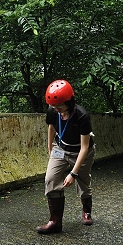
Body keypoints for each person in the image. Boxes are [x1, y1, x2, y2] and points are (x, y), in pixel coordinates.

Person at [37, 79, 96, 234]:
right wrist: (50, 146)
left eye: (60, 106)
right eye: (54, 106)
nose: (57, 109)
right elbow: (51, 127)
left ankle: (86, 211)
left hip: (81, 151)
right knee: (50, 179)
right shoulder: (53, 111)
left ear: (70, 101)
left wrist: (73, 173)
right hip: (61, 149)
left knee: (83, 181)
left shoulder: (81, 116)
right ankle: (55, 222)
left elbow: (84, 147)